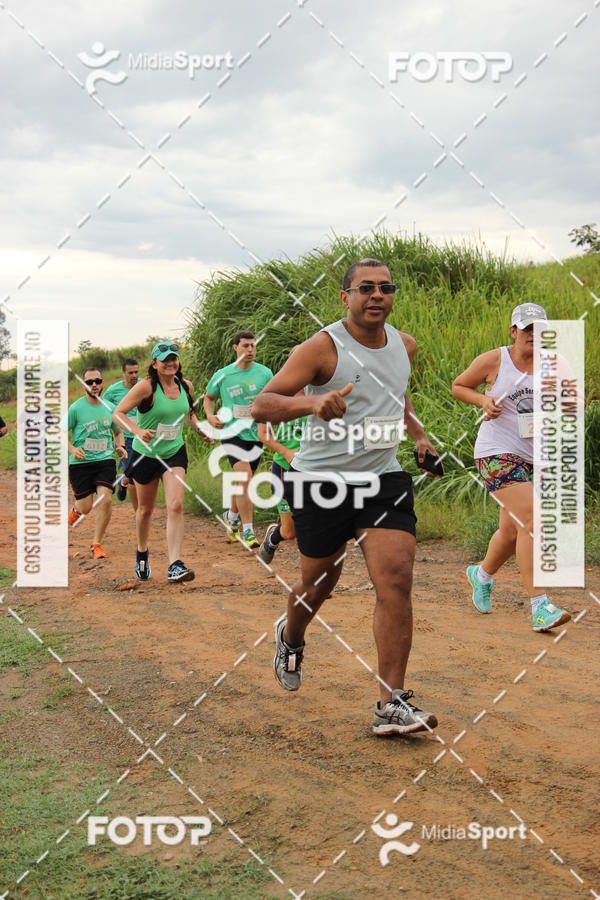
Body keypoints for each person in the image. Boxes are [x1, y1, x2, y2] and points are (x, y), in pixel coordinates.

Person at [252, 258, 440, 735]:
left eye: (385, 288)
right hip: (321, 481)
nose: (376, 295)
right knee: (318, 585)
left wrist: (418, 437)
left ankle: (390, 702)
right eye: (365, 288)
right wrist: (312, 401)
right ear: (345, 297)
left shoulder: (405, 346)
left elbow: (399, 401)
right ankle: (290, 635)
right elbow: (263, 404)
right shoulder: (322, 348)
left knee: (396, 578)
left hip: (382, 478)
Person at [452, 303, 571, 632]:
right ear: (513, 331)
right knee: (533, 519)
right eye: (527, 328)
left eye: (540, 329)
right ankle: (540, 606)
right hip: (495, 453)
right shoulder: (495, 360)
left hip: (531, 456)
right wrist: (483, 401)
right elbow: (459, 385)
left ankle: (481, 575)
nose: (534, 334)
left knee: (510, 531)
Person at [112, 342, 208, 583]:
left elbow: (188, 414)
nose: (170, 363)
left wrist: (199, 429)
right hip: (146, 454)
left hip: (174, 452)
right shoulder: (146, 387)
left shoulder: (186, 386)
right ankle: (142, 551)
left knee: (176, 505)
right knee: (145, 510)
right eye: (165, 359)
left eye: (174, 358)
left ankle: (174, 564)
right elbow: (118, 413)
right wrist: (137, 429)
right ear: (154, 364)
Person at [203, 330, 273, 549]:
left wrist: (264, 410)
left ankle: (232, 518)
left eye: (253, 345)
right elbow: (208, 397)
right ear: (235, 347)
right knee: (245, 478)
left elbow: (274, 398)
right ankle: (248, 530)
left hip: (256, 434)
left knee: (242, 481)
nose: (250, 350)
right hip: (232, 433)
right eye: (245, 346)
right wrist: (210, 416)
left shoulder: (265, 373)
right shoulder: (223, 374)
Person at [66, 367, 127, 559]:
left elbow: (118, 431)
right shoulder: (75, 408)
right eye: (89, 382)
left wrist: (121, 445)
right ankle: (77, 509)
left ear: (102, 383)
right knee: (85, 507)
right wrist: (73, 449)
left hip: (105, 460)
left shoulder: (109, 407)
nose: (94, 385)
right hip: (81, 463)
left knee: (106, 499)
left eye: (98, 381)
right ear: (84, 384)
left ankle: (96, 544)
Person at [256, 411, 306, 564]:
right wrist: (287, 452)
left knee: (312, 521)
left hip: (314, 469)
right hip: (285, 467)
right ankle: (273, 537)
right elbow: (263, 434)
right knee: (290, 532)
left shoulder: (321, 393)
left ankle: (312, 572)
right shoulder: (280, 393)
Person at [104, 358, 140, 513]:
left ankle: (123, 481)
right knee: (134, 475)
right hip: (124, 437)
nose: (134, 375)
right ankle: (138, 513)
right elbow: (103, 406)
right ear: (123, 373)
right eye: (130, 372)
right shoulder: (113, 390)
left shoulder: (144, 385)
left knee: (137, 472)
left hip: (142, 435)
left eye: (136, 372)